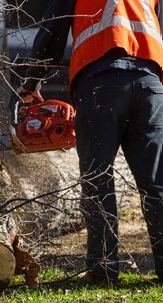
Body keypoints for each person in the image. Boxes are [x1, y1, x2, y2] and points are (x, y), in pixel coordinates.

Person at [17, 0, 163, 283]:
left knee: (98, 181)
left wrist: (32, 82)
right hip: (150, 85)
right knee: (157, 182)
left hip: (101, 83)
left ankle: (104, 270)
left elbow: (53, 32)